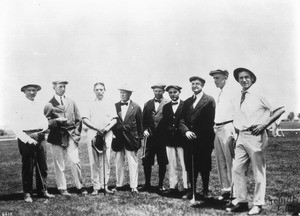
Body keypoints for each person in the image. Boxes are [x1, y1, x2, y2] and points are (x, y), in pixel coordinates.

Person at [226, 68, 285, 215]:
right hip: (241, 136)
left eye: (247, 77)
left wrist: (264, 124)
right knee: (237, 169)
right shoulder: (238, 96)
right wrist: (236, 134)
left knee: (258, 172)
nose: (244, 80)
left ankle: (258, 204)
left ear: (252, 79)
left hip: (256, 135)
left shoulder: (260, 93)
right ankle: (242, 202)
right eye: (241, 78)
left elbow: (280, 110)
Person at [12, 84, 55, 203]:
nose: (32, 92)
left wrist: (44, 128)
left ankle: (42, 190)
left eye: (34, 90)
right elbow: (15, 126)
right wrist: (28, 139)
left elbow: (43, 119)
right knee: (28, 167)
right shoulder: (19, 105)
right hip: (27, 137)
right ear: (24, 92)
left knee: (42, 166)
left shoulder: (39, 104)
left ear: (37, 92)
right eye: (29, 90)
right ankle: (27, 193)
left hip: (40, 136)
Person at [44, 81, 87, 196]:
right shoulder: (49, 104)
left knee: (75, 161)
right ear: (54, 87)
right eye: (60, 86)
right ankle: (62, 188)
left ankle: (80, 186)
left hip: (71, 135)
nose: (62, 88)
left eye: (64, 86)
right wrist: (55, 121)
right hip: (57, 137)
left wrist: (77, 134)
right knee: (59, 163)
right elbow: (45, 122)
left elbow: (79, 119)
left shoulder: (71, 101)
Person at [179, 76, 215, 199]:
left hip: (204, 139)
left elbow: (209, 121)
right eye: (192, 84)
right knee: (190, 165)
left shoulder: (209, 100)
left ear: (202, 85)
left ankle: (205, 190)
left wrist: (197, 134)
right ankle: (191, 190)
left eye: (197, 84)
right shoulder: (187, 102)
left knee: (204, 165)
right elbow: (181, 119)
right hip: (189, 139)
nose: (194, 86)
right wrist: (186, 131)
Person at [82, 82, 117, 195]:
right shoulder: (90, 103)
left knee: (106, 160)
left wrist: (106, 129)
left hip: (106, 134)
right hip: (93, 133)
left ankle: (105, 185)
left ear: (104, 90)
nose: (99, 91)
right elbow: (85, 119)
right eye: (97, 90)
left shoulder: (110, 103)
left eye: (101, 89)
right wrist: (97, 128)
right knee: (94, 161)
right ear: (94, 91)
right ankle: (96, 187)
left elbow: (114, 120)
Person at [209, 69, 236, 201]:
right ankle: (225, 189)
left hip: (228, 127)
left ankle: (234, 191)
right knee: (220, 160)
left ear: (225, 77)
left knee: (230, 160)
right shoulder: (220, 93)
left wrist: (235, 131)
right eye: (214, 78)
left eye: (217, 78)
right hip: (218, 128)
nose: (215, 80)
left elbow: (236, 111)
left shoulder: (232, 92)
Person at [111, 86, 143, 194]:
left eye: (125, 93)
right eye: (121, 92)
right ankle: (119, 184)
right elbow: (112, 122)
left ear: (130, 94)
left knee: (132, 162)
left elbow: (140, 125)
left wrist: (139, 139)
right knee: (119, 161)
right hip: (118, 138)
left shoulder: (137, 107)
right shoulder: (114, 106)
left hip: (131, 139)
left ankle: (133, 186)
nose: (122, 94)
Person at [159, 85, 188, 196]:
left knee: (184, 164)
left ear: (179, 92)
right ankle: (173, 186)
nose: (172, 94)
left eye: (175, 92)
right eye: (170, 92)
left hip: (182, 139)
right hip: (170, 140)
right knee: (172, 164)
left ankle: (186, 187)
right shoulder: (166, 107)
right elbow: (165, 122)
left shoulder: (185, 105)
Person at [140, 84, 169, 192]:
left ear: (163, 91)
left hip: (162, 138)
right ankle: (147, 183)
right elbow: (144, 121)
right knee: (147, 161)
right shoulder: (147, 103)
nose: (158, 93)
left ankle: (161, 184)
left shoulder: (168, 103)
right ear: (153, 91)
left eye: (160, 91)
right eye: (156, 91)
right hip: (150, 138)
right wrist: (145, 130)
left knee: (162, 161)